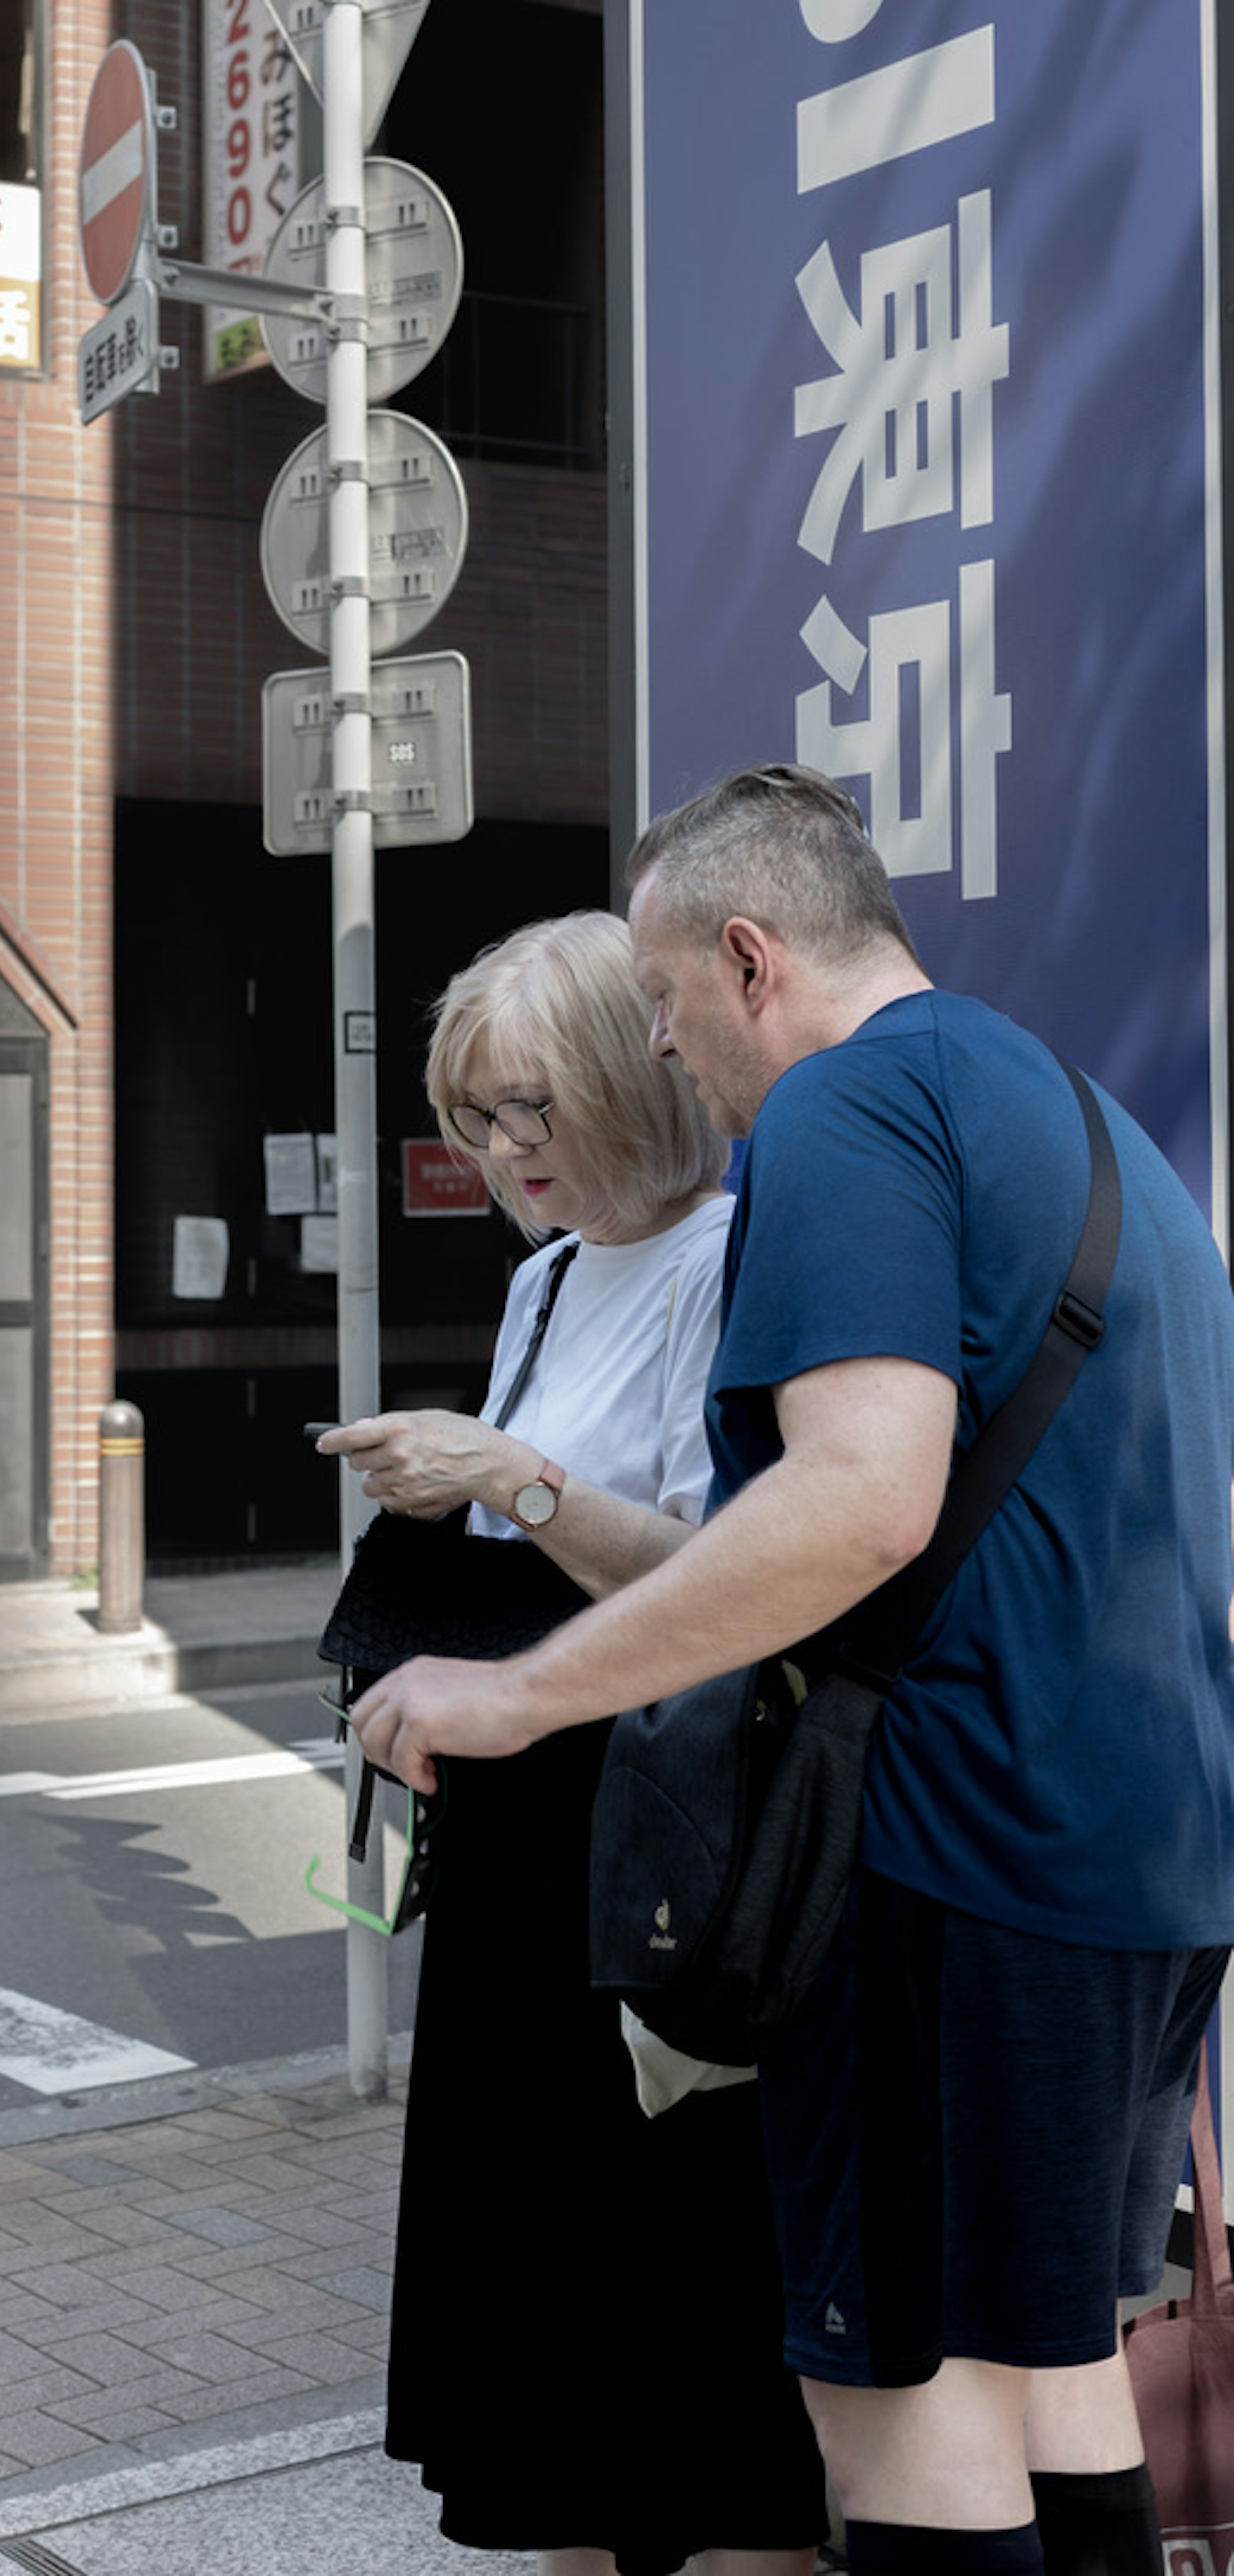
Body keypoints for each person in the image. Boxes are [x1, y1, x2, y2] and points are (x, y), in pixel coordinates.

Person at [347, 767, 1234, 2576]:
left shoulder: (844, 1115)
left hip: (945, 1861)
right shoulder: (1082, 1121)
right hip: (1143, 1856)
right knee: (1053, 2368)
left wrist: (511, 1693)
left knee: (903, 2416)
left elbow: (856, 1503)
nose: (674, 1064)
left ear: (750, 962)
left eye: (666, 1013)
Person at [319, 910, 827, 2576]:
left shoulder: (736, 1258)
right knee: (539, 2321)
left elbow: (734, 1586)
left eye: (530, 1107)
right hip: (522, 1844)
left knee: (685, 2316)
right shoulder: (544, 1282)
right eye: (475, 1116)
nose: (501, 1152)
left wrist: (509, 1480)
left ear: (634, 1069)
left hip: (660, 1854)